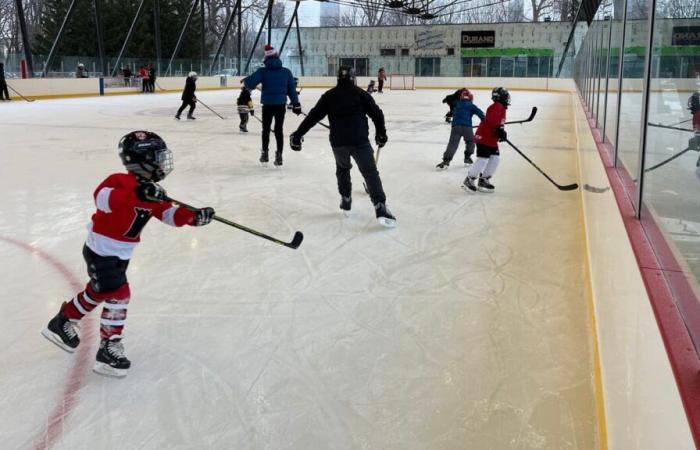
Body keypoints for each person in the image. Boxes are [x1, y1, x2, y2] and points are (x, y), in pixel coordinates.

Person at [41, 130, 215, 377]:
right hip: (100, 250)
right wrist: (135, 193)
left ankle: (63, 321)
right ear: (141, 161)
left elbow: (169, 215)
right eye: (158, 157)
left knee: (99, 290)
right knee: (119, 293)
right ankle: (108, 347)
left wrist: (194, 217)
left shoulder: (153, 191)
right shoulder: (119, 182)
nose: (163, 163)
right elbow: (102, 200)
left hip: (122, 253)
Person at [289, 66, 395, 228]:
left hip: (338, 142)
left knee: (343, 169)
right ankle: (380, 206)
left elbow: (313, 116)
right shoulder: (361, 94)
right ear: (353, 78)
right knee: (370, 172)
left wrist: (298, 134)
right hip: (359, 141)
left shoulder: (329, 96)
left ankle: (346, 198)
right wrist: (381, 133)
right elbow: (377, 114)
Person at [244, 44, 301, 167]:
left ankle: (264, 154)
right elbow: (291, 89)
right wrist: (296, 104)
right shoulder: (286, 72)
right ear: (277, 56)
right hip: (280, 105)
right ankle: (279, 156)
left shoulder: (263, 72)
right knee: (279, 130)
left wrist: (247, 80)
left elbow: (249, 84)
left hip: (268, 105)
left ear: (267, 58)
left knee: (265, 130)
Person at [462, 87, 509, 193]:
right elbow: (491, 121)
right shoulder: (497, 106)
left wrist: (501, 132)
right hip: (484, 137)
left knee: (495, 158)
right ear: (501, 97)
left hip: (491, 139)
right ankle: (469, 180)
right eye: (506, 95)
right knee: (483, 159)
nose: (507, 98)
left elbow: (498, 123)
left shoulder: (501, 107)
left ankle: (484, 179)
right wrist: (499, 131)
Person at [436, 89, 484, 170]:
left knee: (452, 144)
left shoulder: (457, 105)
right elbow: (481, 114)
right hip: (467, 128)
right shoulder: (471, 106)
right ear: (471, 98)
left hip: (455, 127)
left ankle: (446, 160)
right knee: (470, 141)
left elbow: (454, 112)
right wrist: (485, 122)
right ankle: (467, 157)